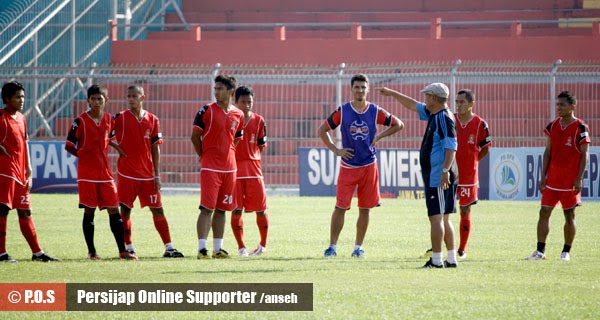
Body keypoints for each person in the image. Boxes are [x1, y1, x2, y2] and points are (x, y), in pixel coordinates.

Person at [319, 74, 403, 259]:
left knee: (365, 208)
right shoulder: (343, 110)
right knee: (340, 207)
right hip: (348, 166)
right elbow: (322, 130)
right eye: (357, 87)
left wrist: (380, 136)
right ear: (351, 89)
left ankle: (358, 248)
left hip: (368, 166)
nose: (360, 90)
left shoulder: (374, 111)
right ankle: (332, 247)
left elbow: (398, 124)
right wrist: (336, 149)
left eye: (363, 87)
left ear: (368, 89)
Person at [378, 83, 458, 268]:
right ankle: (451, 259)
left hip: (438, 176)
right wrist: (392, 93)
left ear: (434, 98)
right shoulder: (436, 114)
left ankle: (437, 261)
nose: (424, 98)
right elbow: (413, 105)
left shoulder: (443, 118)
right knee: (444, 218)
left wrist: (445, 171)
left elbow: (451, 146)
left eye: (427, 95)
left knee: (436, 217)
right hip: (439, 174)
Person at [111, 85, 184, 258]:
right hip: (127, 174)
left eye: (134, 96)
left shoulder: (152, 119)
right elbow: (104, 135)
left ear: (142, 98)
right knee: (125, 210)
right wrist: (117, 147)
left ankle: (169, 247)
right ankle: (129, 247)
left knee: (158, 209)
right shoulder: (119, 118)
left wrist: (156, 174)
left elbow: (155, 148)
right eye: (128, 96)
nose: (131, 99)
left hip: (147, 175)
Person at [65, 84, 136, 260]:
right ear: (88, 100)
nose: (97, 102)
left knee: (115, 210)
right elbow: (69, 145)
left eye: (100, 98)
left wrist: (117, 147)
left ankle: (122, 251)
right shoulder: (79, 121)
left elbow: (109, 136)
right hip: (87, 175)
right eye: (93, 99)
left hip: (105, 174)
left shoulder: (108, 119)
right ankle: (92, 252)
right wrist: (81, 155)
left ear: (106, 100)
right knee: (89, 212)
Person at [526, 91, 590, 262]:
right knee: (544, 212)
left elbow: (585, 155)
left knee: (569, 215)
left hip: (570, 181)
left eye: (562, 105)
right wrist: (543, 176)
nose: (559, 108)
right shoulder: (553, 126)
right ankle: (540, 251)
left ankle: (566, 252)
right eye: (557, 104)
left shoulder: (580, 128)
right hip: (552, 180)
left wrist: (579, 178)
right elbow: (548, 152)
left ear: (572, 106)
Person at [0, 81, 60, 263]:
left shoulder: (21, 118)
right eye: (18, 97)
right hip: (4, 172)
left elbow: (25, 143)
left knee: (25, 212)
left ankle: (37, 253)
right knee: (2, 211)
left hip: (20, 173)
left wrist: (29, 169)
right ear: (7, 99)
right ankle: (1, 254)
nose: (22, 100)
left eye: (23, 96)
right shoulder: (1, 117)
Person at [191, 75, 245, 259]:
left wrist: (226, 154)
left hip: (230, 168)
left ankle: (218, 249)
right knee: (207, 208)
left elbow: (236, 139)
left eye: (220, 88)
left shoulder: (239, 114)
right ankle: (202, 249)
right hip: (210, 167)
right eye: (215, 88)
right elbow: (194, 137)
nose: (216, 92)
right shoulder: (206, 110)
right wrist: (204, 156)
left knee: (223, 209)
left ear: (230, 91)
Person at [230, 86, 269, 257]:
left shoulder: (259, 121)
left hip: (254, 171)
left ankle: (263, 245)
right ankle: (241, 247)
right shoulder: (229, 119)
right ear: (235, 102)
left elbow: (261, 145)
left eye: (249, 102)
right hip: (235, 170)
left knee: (261, 209)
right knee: (236, 209)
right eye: (243, 102)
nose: (246, 105)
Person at [454, 90, 492, 259]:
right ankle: (438, 246)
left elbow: (486, 148)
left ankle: (462, 249)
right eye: (457, 101)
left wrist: (474, 160)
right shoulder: (450, 119)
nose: (459, 105)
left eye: (462, 102)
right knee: (441, 210)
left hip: (468, 175)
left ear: (471, 104)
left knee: (464, 209)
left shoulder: (480, 124)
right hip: (448, 173)